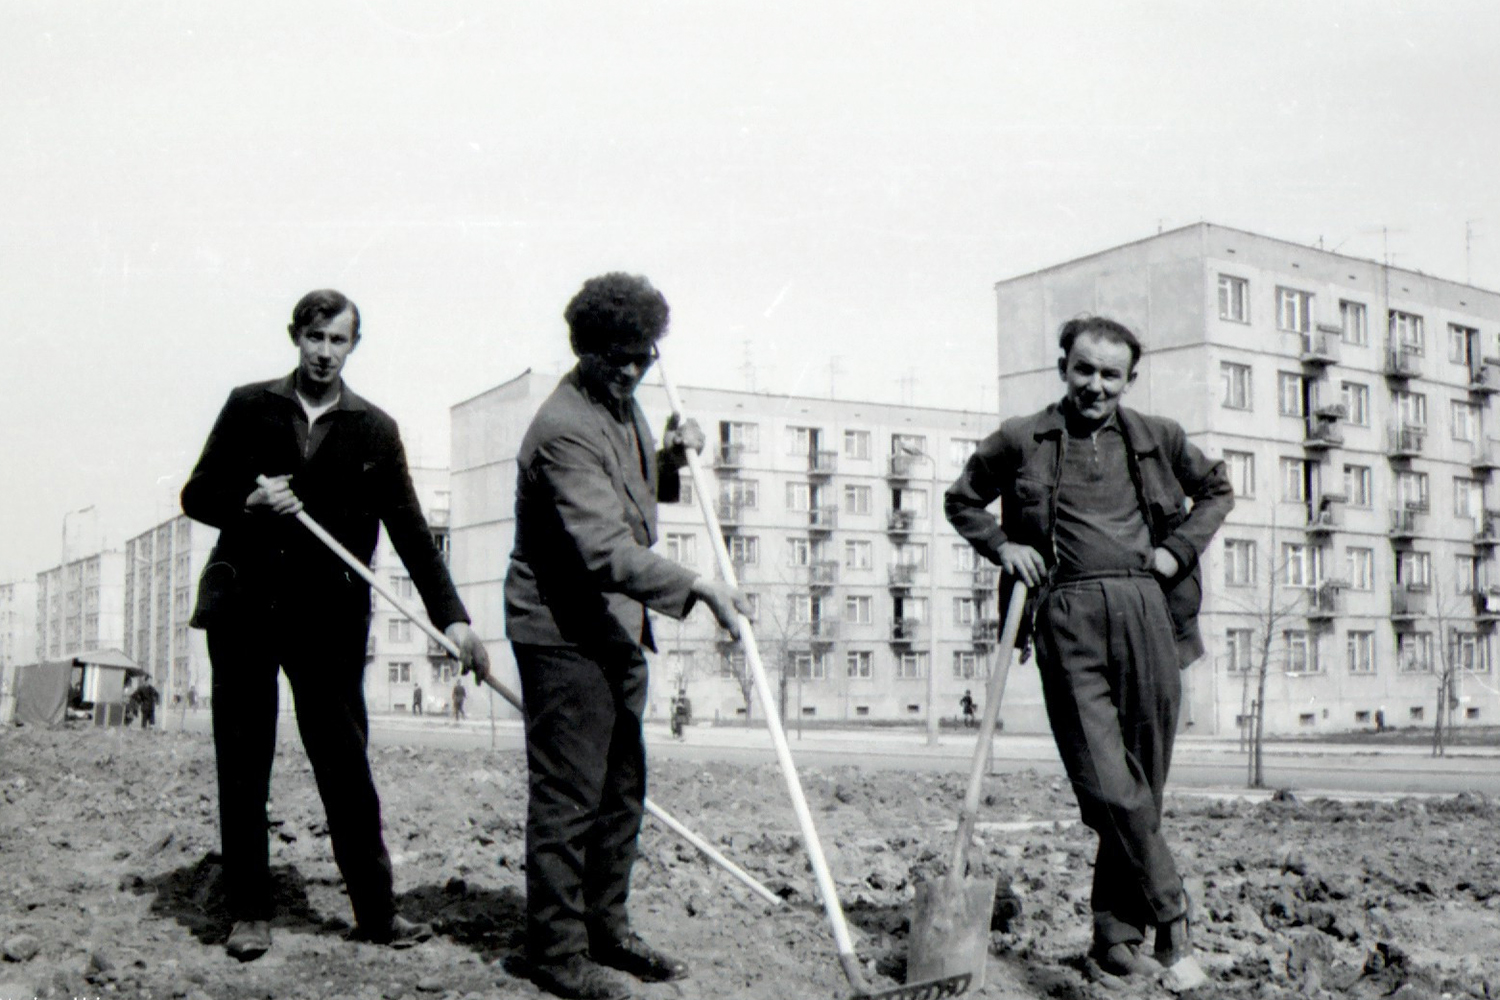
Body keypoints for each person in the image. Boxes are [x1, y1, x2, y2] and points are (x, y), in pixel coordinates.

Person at [180, 288, 489, 963]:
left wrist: (455, 620)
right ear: (297, 337)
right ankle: (250, 913)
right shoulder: (248, 405)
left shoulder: (374, 428)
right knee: (243, 760)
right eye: (314, 338)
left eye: (338, 340)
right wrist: (250, 501)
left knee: (345, 764)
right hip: (244, 613)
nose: (324, 353)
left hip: (329, 620)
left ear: (353, 346)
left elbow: (410, 530)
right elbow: (196, 495)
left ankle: (377, 914)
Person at [945, 316, 1232, 979]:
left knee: (1142, 784)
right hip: (1066, 610)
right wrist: (1003, 546)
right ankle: (1173, 917)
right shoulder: (1021, 438)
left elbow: (1217, 490)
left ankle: (1113, 937)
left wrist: (1175, 552)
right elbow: (963, 501)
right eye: (1083, 368)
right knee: (1107, 783)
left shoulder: (1160, 438)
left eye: (1110, 373)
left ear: (1129, 379)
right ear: (1062, 367)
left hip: (1148, 608)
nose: (1094, 385)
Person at [504, 273, 751, 1000]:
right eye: (619, 357)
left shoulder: (625, 405)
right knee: (569, 795)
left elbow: (640, 501)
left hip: (615, 624)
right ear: (584, 350)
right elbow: (603, 547)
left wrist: (672, 459)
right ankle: (555, 951)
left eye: (644, 356)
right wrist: (697, 585)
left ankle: (605, 928)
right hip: (561, 631)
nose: (634, 370)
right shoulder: (562, 430)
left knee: (622, 790)